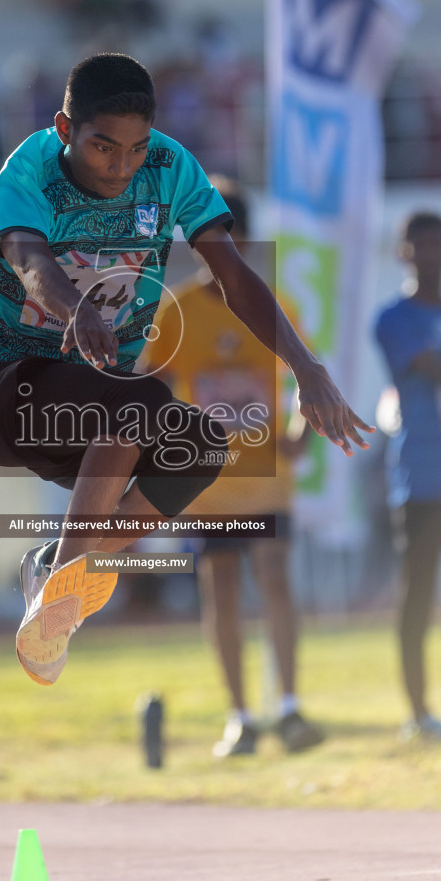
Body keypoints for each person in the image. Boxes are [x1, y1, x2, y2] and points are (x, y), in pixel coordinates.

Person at [0, 52, 373, 686]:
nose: (120, 167)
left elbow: (233, 275)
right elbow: (28, 257)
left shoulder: (170, 168)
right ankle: (65, 588)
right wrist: (74, 309)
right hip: (8, 395)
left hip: (101, 414)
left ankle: (58, 568)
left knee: (200, 445)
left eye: (133, 149)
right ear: (66, 130)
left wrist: (308, 368)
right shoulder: (30, 169)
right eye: (102, 148)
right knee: (142, 396)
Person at [141, 176, 323, 755]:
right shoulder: (176, 314)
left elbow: (303, 379)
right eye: (205, 239)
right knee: (220, 589)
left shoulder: (276, 305)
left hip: (266, 479)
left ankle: (290, 709)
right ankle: (240, 716)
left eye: (230, 238)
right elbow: (151, 391)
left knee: (273, 577)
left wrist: (298, 434)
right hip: (207, 485)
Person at [375, 211, 441, 740]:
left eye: (439, 244)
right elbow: (438, 369)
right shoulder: (393, 319)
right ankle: (418, 716)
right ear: (404, 253)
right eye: (420, 245)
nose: (430, 254)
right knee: (417, 597)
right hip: (420, 481)